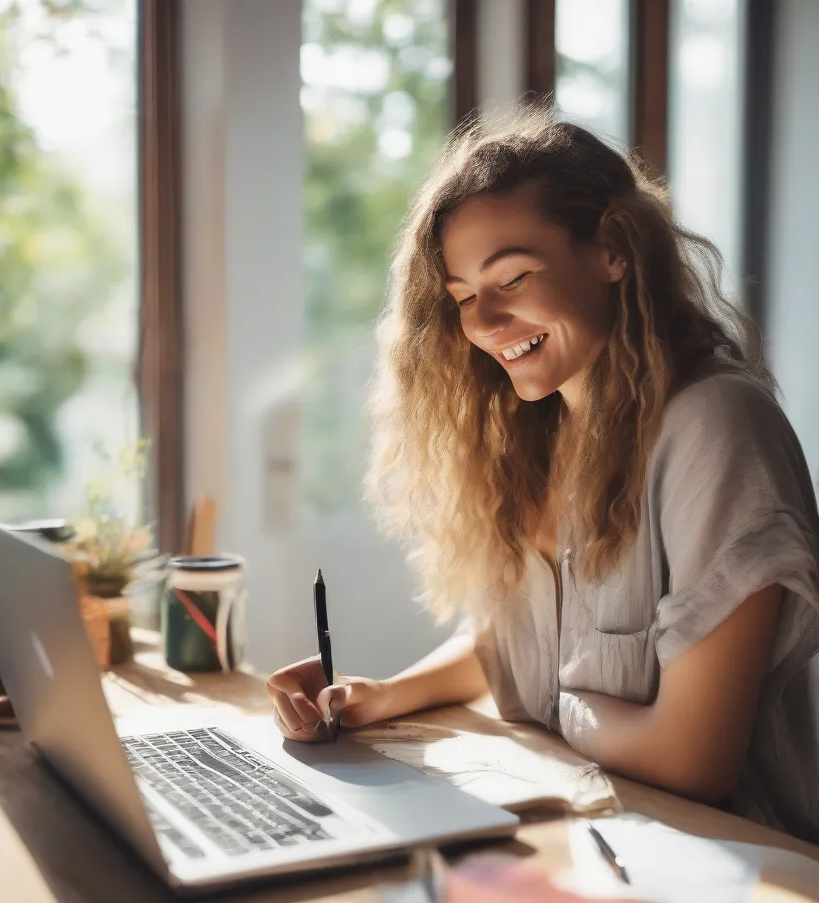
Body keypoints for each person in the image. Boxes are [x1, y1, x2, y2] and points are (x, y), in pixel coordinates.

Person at [267, 105, 819, 843]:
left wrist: (568, 709)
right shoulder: (539, 432)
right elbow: (514, 645)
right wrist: (383, 695)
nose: (486, 322)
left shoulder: (715, 427)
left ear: (614, 250)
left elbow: (694, 761)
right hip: (591, 836)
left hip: (738, 870)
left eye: (513, 278)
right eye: (464, 297)